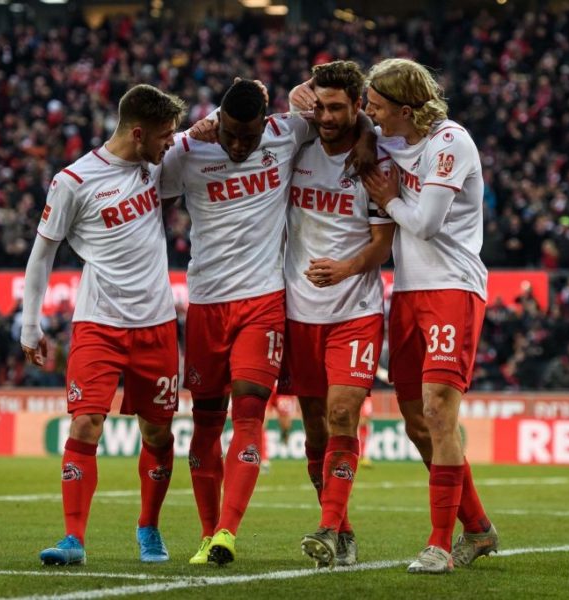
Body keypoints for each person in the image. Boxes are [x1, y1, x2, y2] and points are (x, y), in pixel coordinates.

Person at [160, 79, 376, 566]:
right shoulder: (189, 148)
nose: (238, 145)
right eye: (230, 135)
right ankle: (205, 531)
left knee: (250, 415)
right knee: (205, 425)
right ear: (217, 119)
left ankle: (226, 534)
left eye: (248, 136)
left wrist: (364, 137)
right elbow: (144, 180)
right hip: (206, 303)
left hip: (263, 303)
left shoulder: (285, 131)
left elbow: (341, 113)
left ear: (265, 123)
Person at [20, 84, 186, 566]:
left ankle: (149, 528)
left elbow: (203, 132)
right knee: (86, 421)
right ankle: (73, 538)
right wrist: (30, 327)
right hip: (99, 324)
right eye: (163, 135)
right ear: (138, 133)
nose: (170, 143)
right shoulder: (73, 181)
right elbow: (41, 255)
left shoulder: (155, 167)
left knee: (157, 434)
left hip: (156, 324)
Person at [361, 58, 497, 574]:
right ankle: (479, 528)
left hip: (453, 288)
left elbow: (424, 223)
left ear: (405, 108)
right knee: (417, 420)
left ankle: (440, 544)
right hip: (411, 292)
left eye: (377, 106)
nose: (370, 115)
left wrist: (390, 199)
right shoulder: (388, 137)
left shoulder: (450, 142)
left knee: (440, 412)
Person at [284, 60, 395, 568]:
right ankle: (343, 531)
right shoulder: (297, 147)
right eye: (321, 106)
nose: (326, 117)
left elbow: (381, 245)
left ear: (357, 106)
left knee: (342, 414)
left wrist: (345, 268)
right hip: (299, 310)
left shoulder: (376, 164)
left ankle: (327, 527)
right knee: (314, 430)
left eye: (337, 108)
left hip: (356, 308)